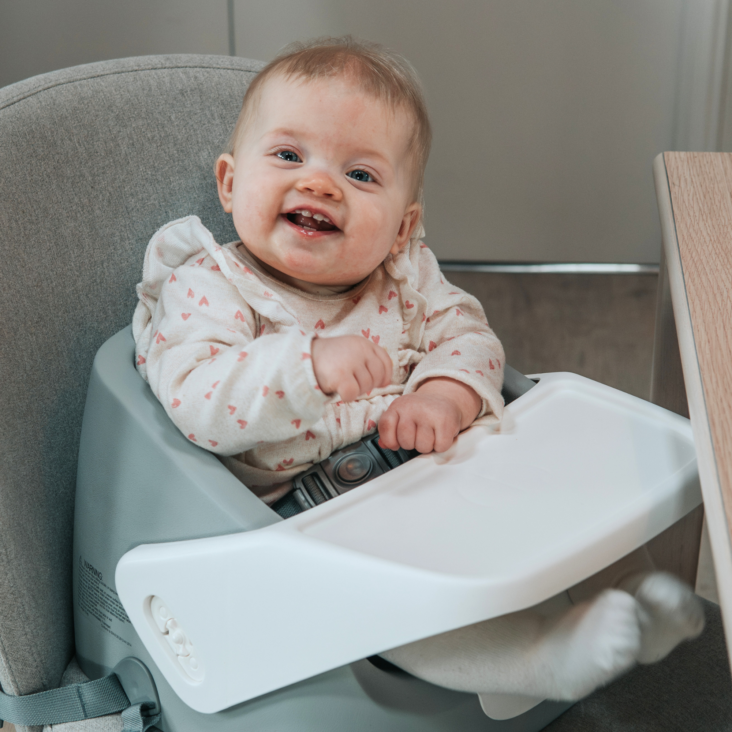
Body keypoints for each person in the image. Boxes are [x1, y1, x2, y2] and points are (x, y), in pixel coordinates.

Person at [133, 36, 704, 702]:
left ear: (402, 229)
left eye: (361, 175)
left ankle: (632, 598)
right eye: (289, 155)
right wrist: (305, 366)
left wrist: (444, 393)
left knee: (555, 496)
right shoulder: (209, 285)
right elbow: (196, 398)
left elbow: (471, 335)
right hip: (311, 518)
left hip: (434, 471)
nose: (318, 183)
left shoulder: (403, 278)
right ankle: (535, 660)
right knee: (375, 608)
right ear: (230, 183)